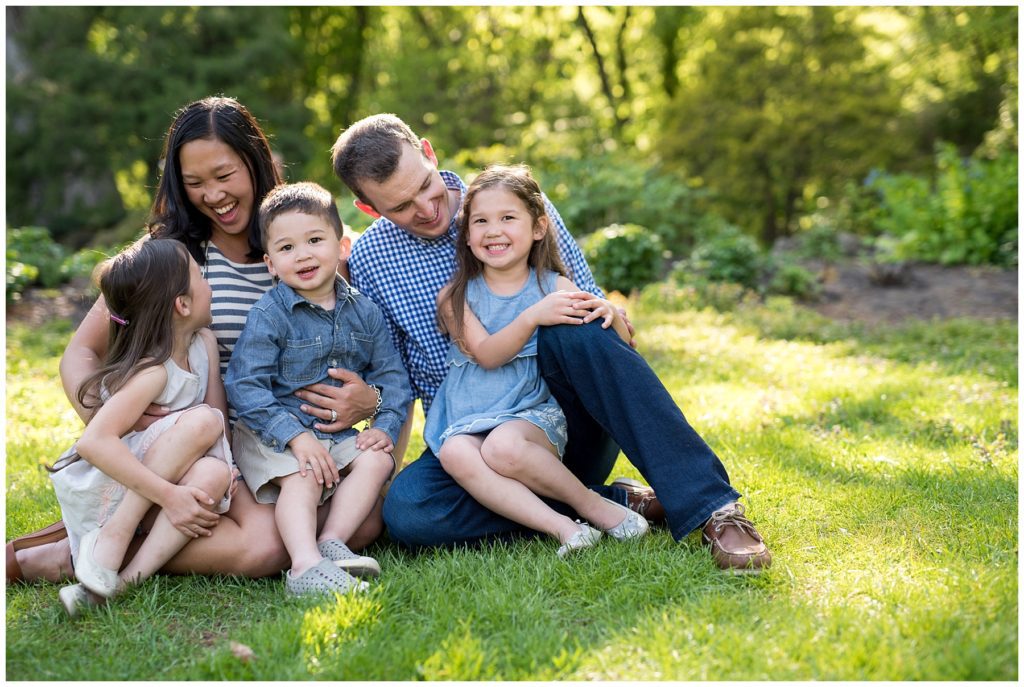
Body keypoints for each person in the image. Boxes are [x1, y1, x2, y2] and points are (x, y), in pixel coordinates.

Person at [330, 114, 771, 573]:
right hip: (471, 434)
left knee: (576, 324)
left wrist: (608, 313)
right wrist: (381, 458)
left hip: (556, 417)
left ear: (428, 153)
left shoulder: (512, 201)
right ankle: (608, 502)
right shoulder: (371, 259)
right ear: (369, 210)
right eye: (401, 206)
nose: (426, 209)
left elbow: (594, 314)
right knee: (410, 512)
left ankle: (711, 507)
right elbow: (397, 373)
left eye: (425, 185)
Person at [7, 96, 380, 585]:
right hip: (206, 440)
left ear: (257, 163)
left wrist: (367, 399)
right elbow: (81, 351)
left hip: (292, 438)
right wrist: (108, 414)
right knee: (266, 546)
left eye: (224, 176)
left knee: (366, 520)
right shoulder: (171, 258)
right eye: (195, 182)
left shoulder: (305, 240)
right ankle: (75, 557)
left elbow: (366, 343)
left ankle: (112, 537)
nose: (213, 195)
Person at [425, 165, 650, 557]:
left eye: (508, 218)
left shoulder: (554, 286)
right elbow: (488, 355)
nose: (493, 230)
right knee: (455, 453)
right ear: (467, 235)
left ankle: (592, 506)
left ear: (539, 228)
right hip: (467, 415)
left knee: (503, 448)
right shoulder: (455, 297)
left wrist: (611, 313)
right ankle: (565, 528)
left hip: (527, 414)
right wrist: (531, 316)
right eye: (480, 221)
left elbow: (615, 343)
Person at [225, 182, 412, 595]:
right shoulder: (269, 315)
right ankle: (303, 568)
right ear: (270, 263)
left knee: (377, 460)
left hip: (336, 434)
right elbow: (245, 385)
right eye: (287, 248)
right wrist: (295, 437)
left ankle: (332, 543)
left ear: (341, 245)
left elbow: (393, 378)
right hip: (272, 435)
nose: (304, 254)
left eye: (314, 240)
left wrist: (385, 424)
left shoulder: (366, 312)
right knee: (304, 476)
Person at [51, 239, 234, 616]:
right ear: (182, 305)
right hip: (117, 482)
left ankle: (123, 582)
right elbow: (94, 443)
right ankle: (113, 536)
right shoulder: (153, 371)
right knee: (202, 420)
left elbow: (219, 416)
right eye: (201, 277)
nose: (209, 284)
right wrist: (169, 496)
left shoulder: (205, 345)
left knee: (215, 470)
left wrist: (231, 471)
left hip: (164, 477)